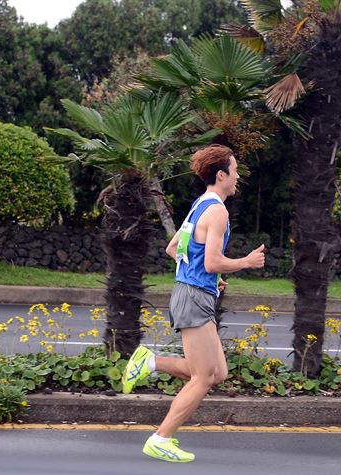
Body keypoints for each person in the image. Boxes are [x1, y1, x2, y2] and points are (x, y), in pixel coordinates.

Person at [121, 144, 265, 463]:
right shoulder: (217, 211)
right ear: (221, 174)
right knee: (202, 378)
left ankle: (151, 362)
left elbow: (174, 248)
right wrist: (246, 261)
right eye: (235, 170)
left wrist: (208, 277)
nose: (238, 176)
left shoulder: (201, 204)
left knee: (217, 373)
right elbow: (212, 261)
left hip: (193, 293)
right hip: (194, 297)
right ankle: (161, 438)